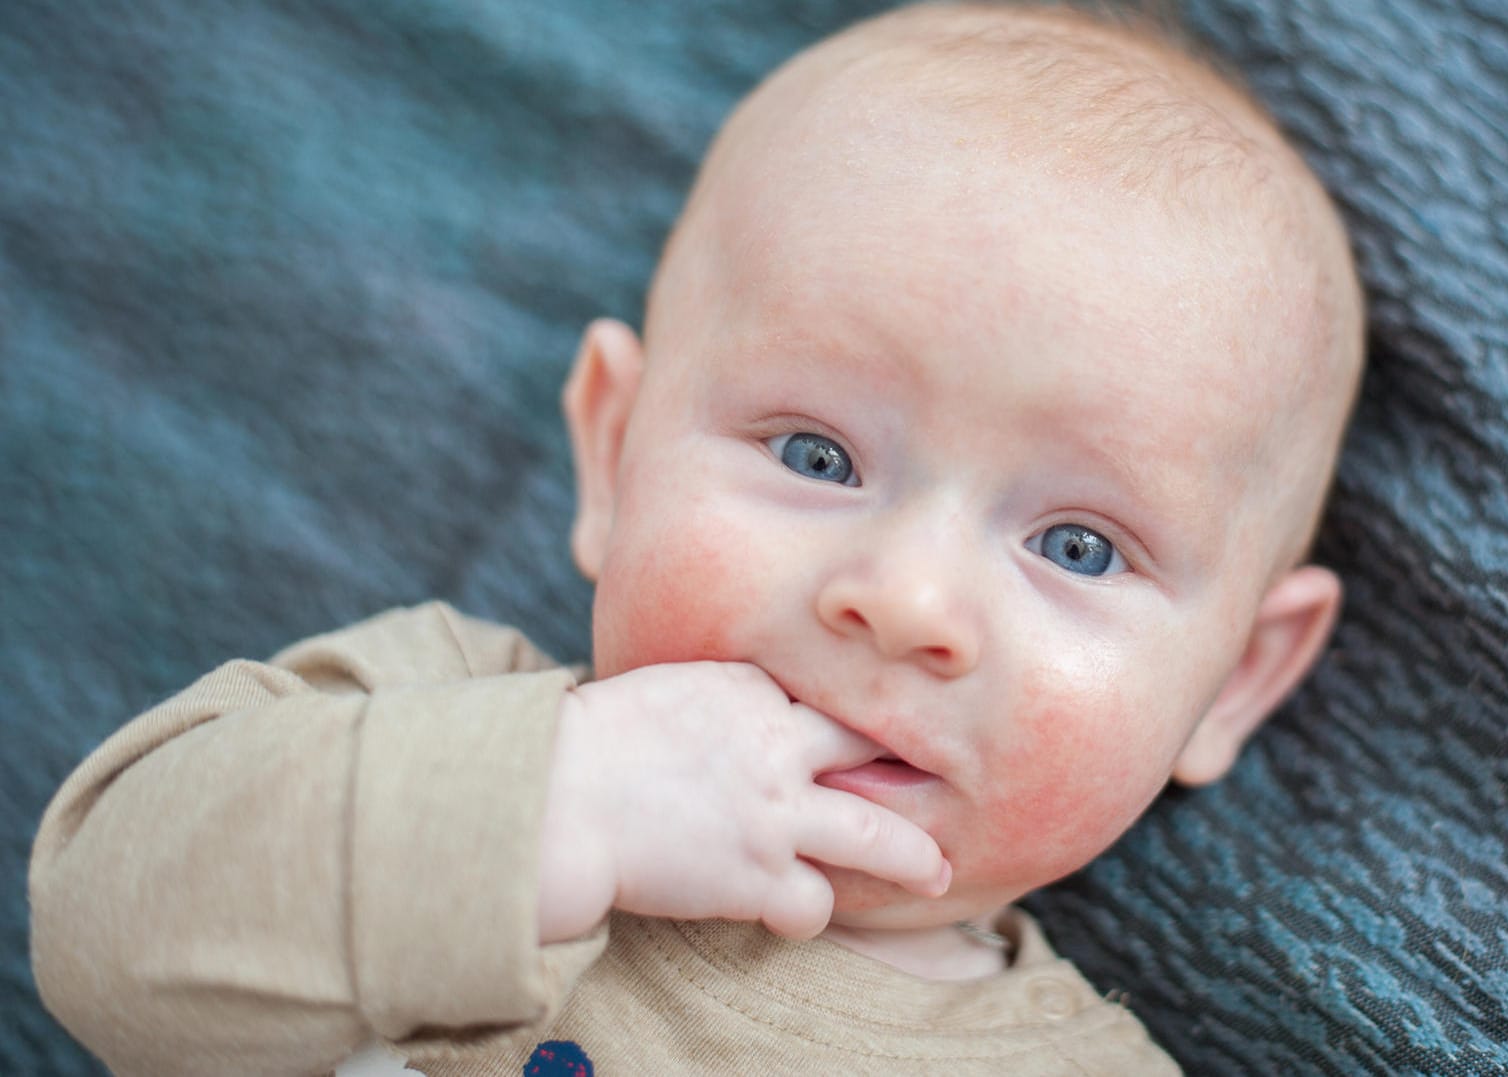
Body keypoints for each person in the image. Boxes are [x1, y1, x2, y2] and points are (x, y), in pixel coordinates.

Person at [29, 1, 1364, 1073]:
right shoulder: (427, 713)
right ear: (614, 454)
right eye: (815, 455)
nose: (904, 601)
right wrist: (550, 800)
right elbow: (98, 933)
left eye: (1077, 546)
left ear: (1237, 675)